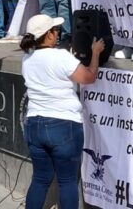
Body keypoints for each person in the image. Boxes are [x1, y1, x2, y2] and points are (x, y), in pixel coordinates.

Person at [20, 15, 104, 209]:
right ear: (48, 35)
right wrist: (96, 52)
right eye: (55, 30)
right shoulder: (60, 56)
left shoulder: (27, 58)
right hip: (63, 124)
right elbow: (89, 77)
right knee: (67, 181)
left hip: (34, 124)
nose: (58, 33)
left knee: (40, 179)